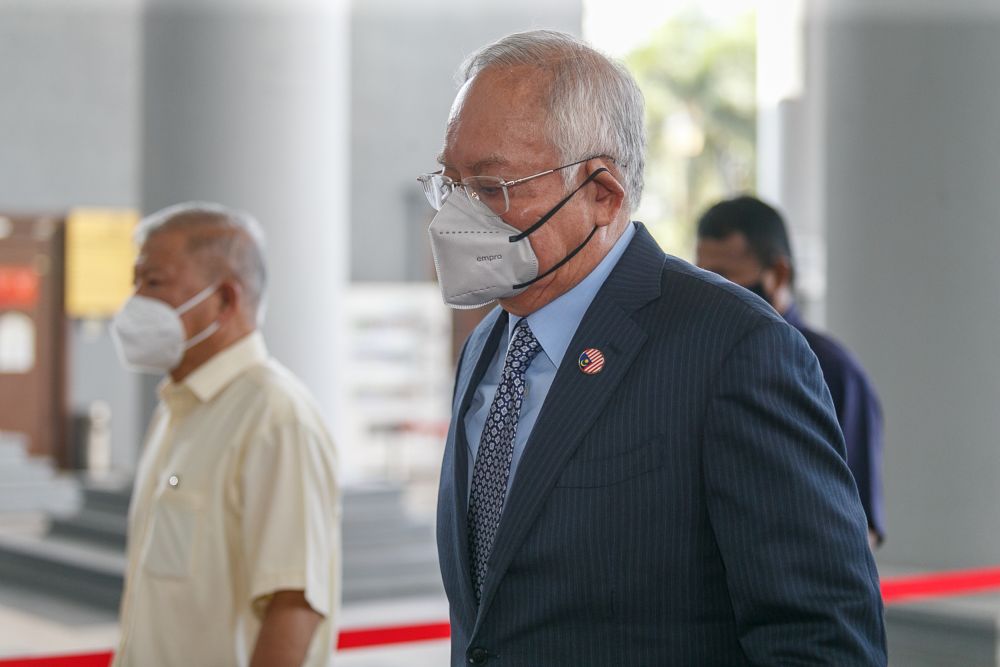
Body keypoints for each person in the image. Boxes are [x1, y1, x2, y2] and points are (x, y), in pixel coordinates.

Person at [421, 30, 886, 666]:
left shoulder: (733, 350)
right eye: (449, 183)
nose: (456, 214)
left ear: (601, 194)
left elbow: (822, 639)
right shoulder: (488, 348)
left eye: (494, 186)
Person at [109, 202, 340, 667]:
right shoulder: (180, 408)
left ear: (225, 300)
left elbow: (292, 607)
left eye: (153, 283)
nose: (135, 301)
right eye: (135, 282)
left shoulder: (275, 418)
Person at [695, 195, 885, 548]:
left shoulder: (835, 372)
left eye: (724, 278)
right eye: (701, 276)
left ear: (779, 274)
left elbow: (861, 528)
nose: (710, 293)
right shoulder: (696, 360)